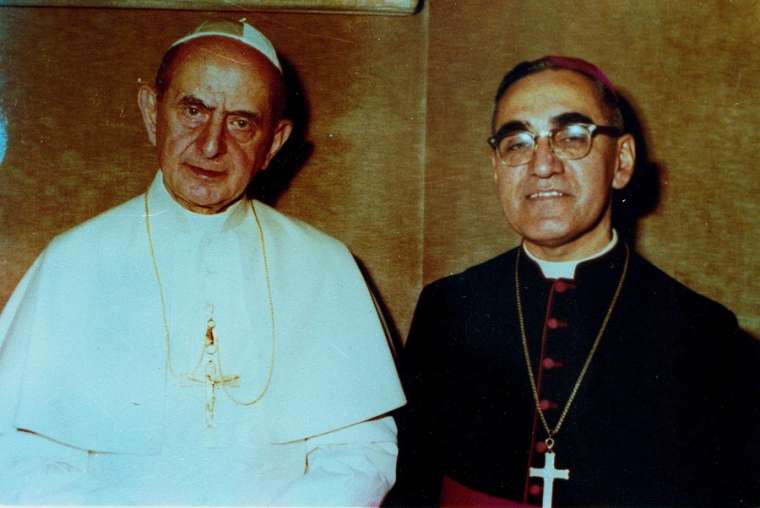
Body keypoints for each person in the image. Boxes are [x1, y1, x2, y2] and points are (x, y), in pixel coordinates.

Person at [0, 19, 405, 505]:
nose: (212, 145)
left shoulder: (324, 265)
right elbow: (18, 453)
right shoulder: (73, 261)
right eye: (193, 110)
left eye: (241, 122)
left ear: (273, 143)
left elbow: (360, 452)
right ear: (153, 112)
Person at [386, 56, 760, 507]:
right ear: (496, 167)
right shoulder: (449, 307)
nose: (542, 165)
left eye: (572, 137)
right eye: (517, 142)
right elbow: (410, 486)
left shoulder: (702, 332)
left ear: (621, 161)